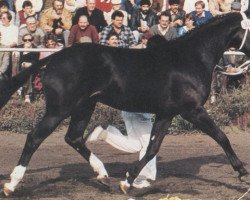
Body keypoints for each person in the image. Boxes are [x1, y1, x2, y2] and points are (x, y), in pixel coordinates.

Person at [16, 34, 40, 103]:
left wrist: (30, 64)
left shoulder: (35, 49)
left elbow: (36, 61)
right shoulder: (19, 47)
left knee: (28, 71)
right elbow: (18, 60)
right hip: (20, 67)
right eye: (25, 40)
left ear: (32, 40)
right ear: (22, 41)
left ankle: (22, 89)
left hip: (31, 68)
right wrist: (25, 51)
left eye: (29, 40)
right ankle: (27, 95)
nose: (27, 41)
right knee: (26, 71)